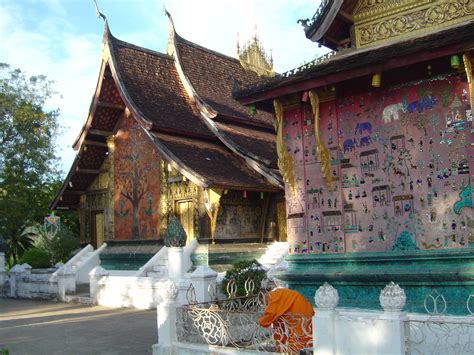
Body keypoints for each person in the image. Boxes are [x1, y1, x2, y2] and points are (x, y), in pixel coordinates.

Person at [258, 288, 314, 353]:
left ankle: (296, 352)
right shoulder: (275, 294)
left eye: (262, 302)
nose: (265, 305)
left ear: (264, 296)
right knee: (301, 336)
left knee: (297, 337)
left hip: (300, 313)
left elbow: (271, 314)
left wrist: (260, 321)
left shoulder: (272, 297)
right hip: (303, 309)